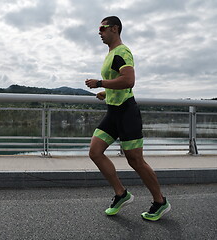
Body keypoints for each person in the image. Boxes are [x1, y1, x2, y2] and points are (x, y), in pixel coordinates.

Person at [85, 16, 171, 221]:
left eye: (103, 28)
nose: (100, 32)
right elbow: (119, 82)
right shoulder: (111, 54)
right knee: (95, 152)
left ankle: (160, 201)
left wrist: (99, 84)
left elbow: (129, 80)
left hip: (127, 113)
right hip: (113, 112)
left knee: (136, 161)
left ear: (115, 29)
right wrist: (106, 93)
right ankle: (121, 194)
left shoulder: (122, 52)